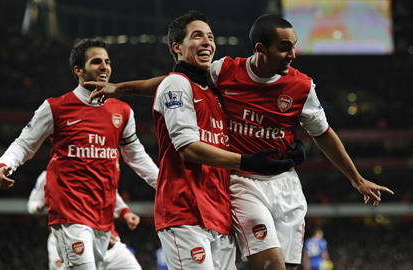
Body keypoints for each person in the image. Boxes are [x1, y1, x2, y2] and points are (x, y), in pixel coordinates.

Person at [85, 14, 394, 270]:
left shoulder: (301, 86)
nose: (293, 54)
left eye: (294, 47)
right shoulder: (224, 72)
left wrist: (356, 179)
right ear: (261, 48)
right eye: (285, 47)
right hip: (239, 183)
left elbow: (323, 133)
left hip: (278, 186)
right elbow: (173, 84)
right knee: (271, 265)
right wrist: (120, 88)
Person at [0, 38, 159, 270]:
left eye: (107, 62)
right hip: (69, 212)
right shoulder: (55, 107)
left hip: (103, 215)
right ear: (78, 70)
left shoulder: (122, 111)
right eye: (96, 61)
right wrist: (4, 165)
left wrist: (165, 184)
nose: (104, 67)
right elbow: (24, 144)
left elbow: (136, 157)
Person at [27, 171, 143, 270]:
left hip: (107, 241)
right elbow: (31, 206)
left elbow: (111, 193)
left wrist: (124, 212)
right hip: (66, 240)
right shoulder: (49, 174)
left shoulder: (95, 168)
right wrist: (42, 205)